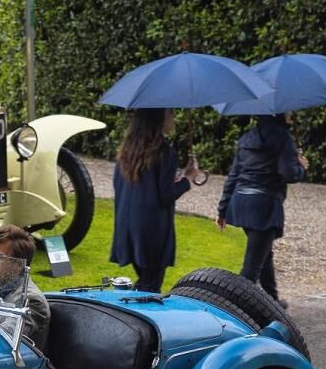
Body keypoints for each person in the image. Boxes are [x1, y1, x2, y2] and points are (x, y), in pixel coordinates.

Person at [216, 112, 308, 307]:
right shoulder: (283, 138)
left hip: (240, 202)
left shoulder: (247, 137)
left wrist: (222, 209)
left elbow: (234, 175)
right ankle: (234, 310)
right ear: (279, 113)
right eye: (289, 110)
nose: (292, 113)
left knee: (264, 254)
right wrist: (301, 167)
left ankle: (272, 302)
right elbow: (288, 173)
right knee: (251, 270)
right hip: (264, 205)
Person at [110, 108, 197, 293]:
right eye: (170, 113)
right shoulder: (164, 152)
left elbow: (140, 186)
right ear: (158, 118)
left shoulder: (127, 151)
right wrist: (188, 180)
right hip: (152, 230)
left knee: (145, 282)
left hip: (128, 227)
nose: (173, 117)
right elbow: (165, 195)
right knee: (149, 288)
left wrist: (178, 178)